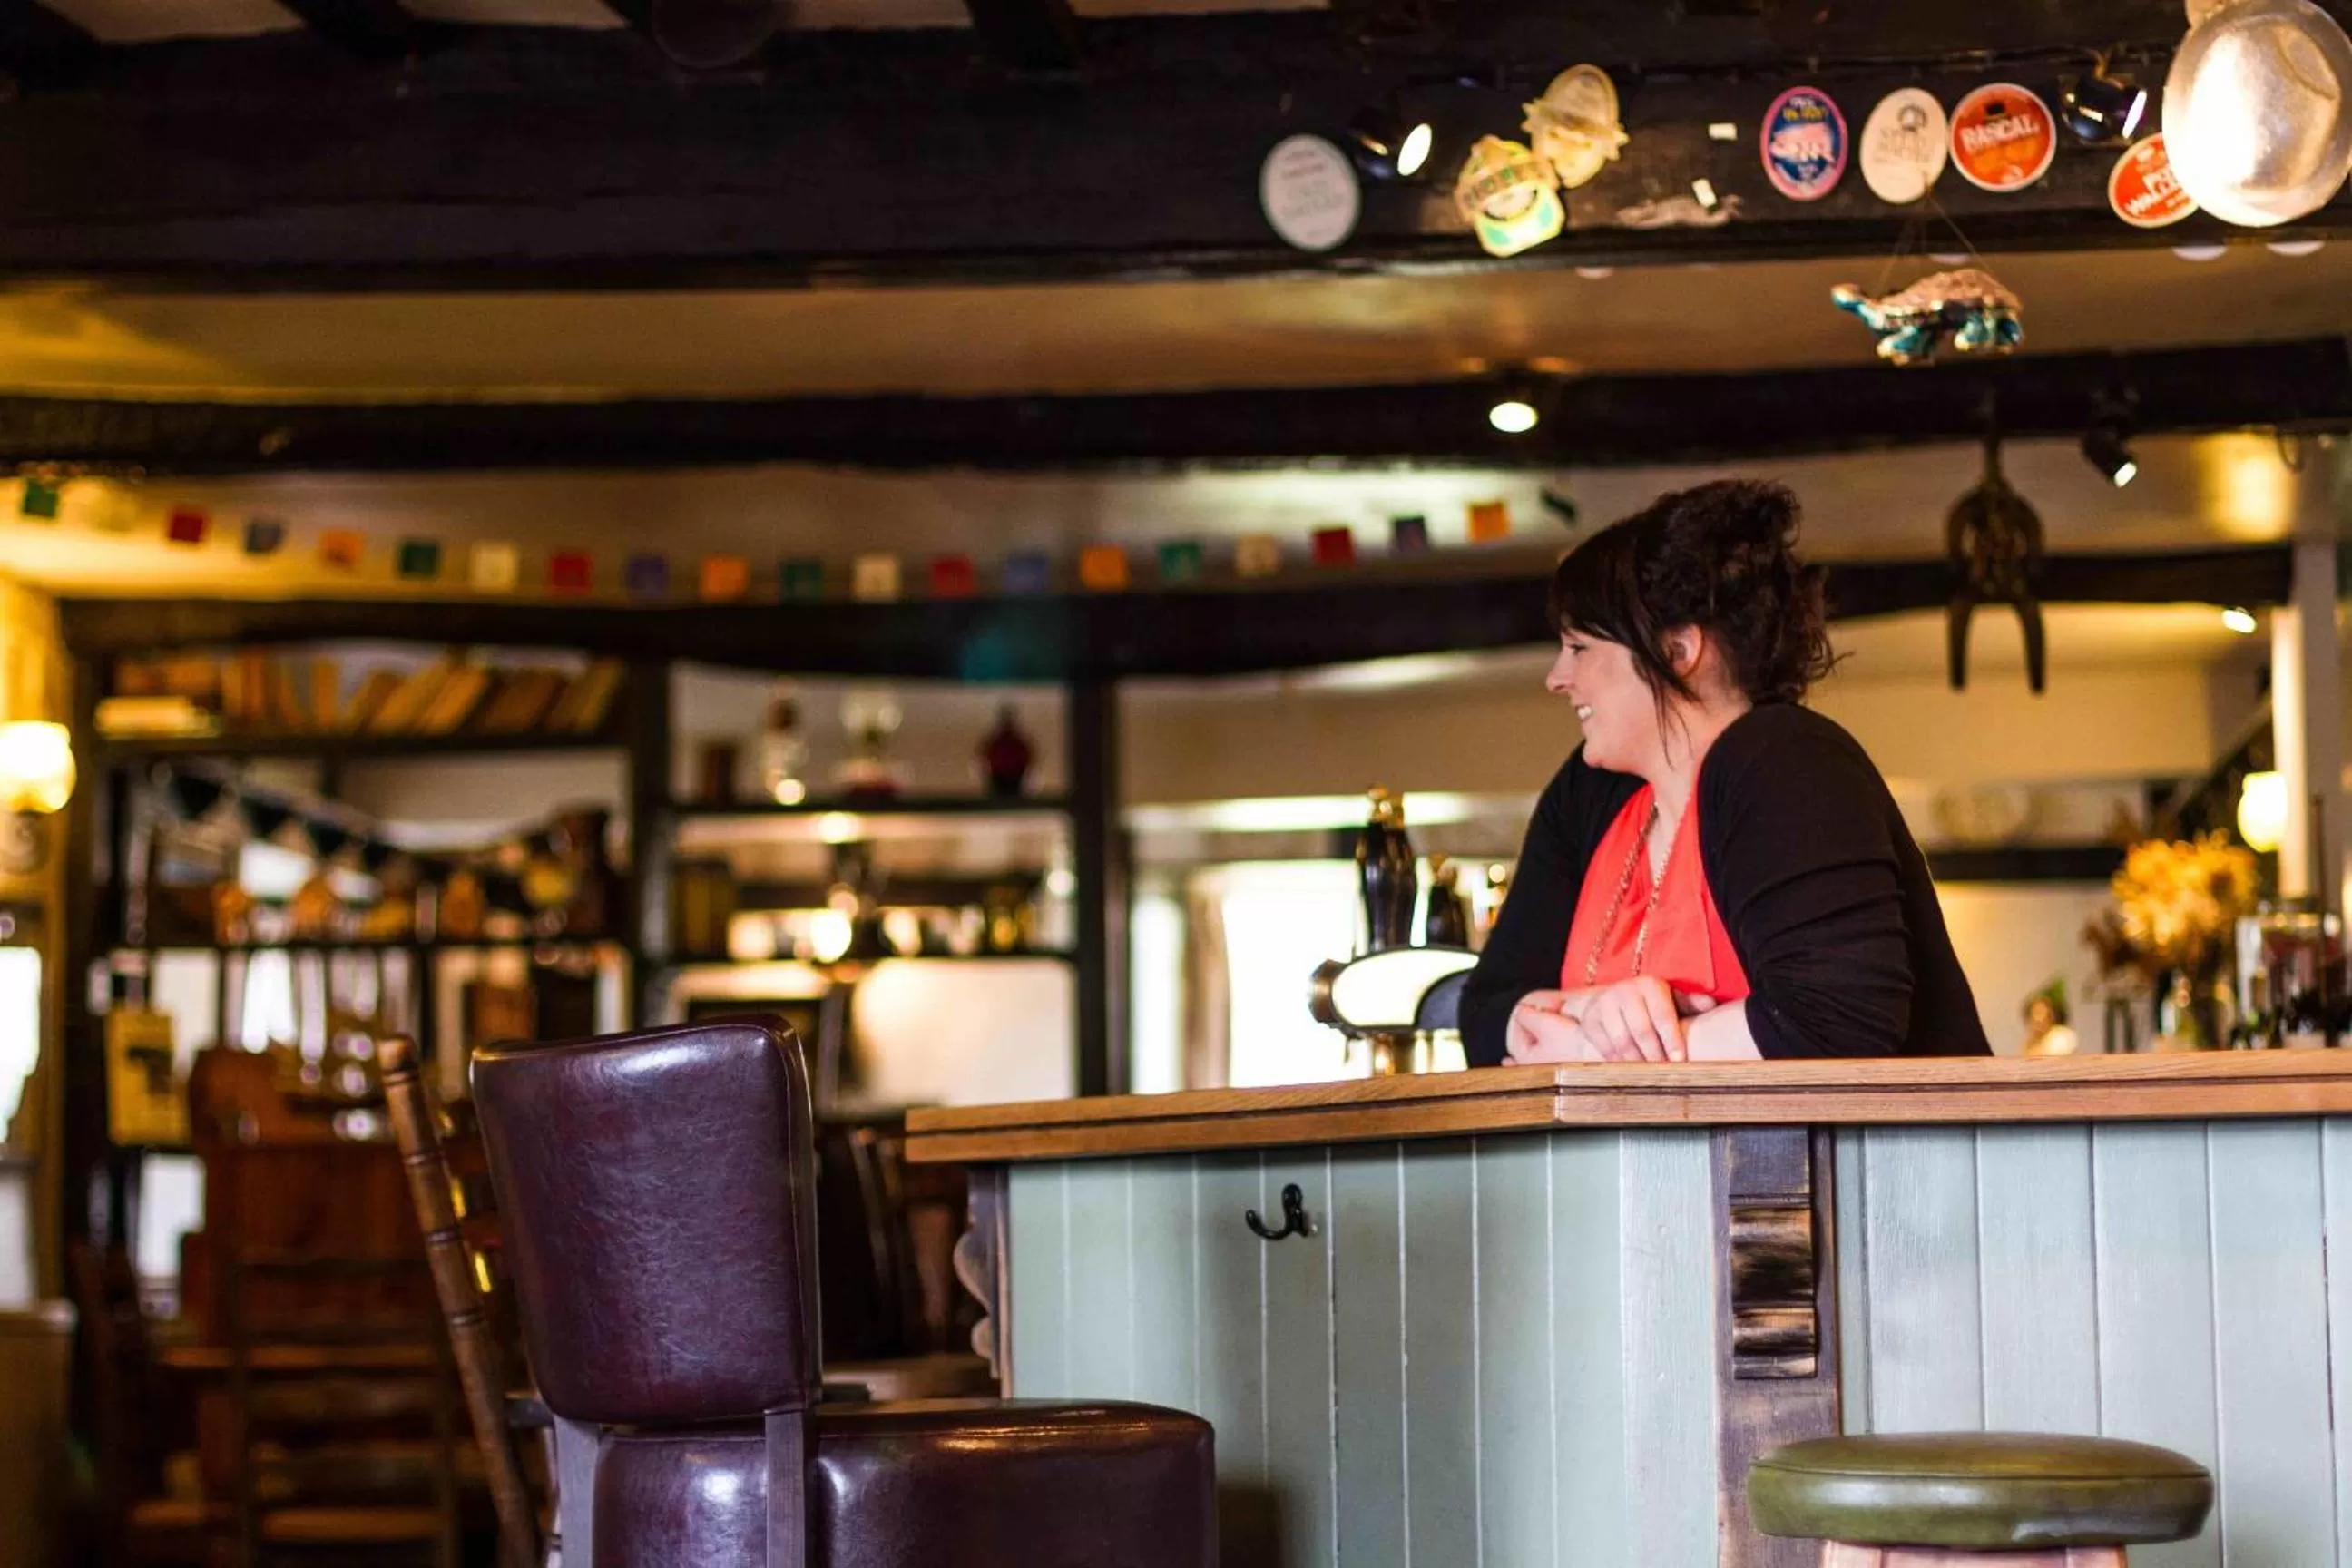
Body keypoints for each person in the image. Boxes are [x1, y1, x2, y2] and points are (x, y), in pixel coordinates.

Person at [1462, 479, 1990, 1063]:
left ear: (1679, 651)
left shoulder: (1786, 759)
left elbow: (1840, 1020)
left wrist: (1600, 1052)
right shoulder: (1591, 791)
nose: (1557, 678)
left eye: (1580, 648)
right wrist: (1590, 1012)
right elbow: (1483, 1011)